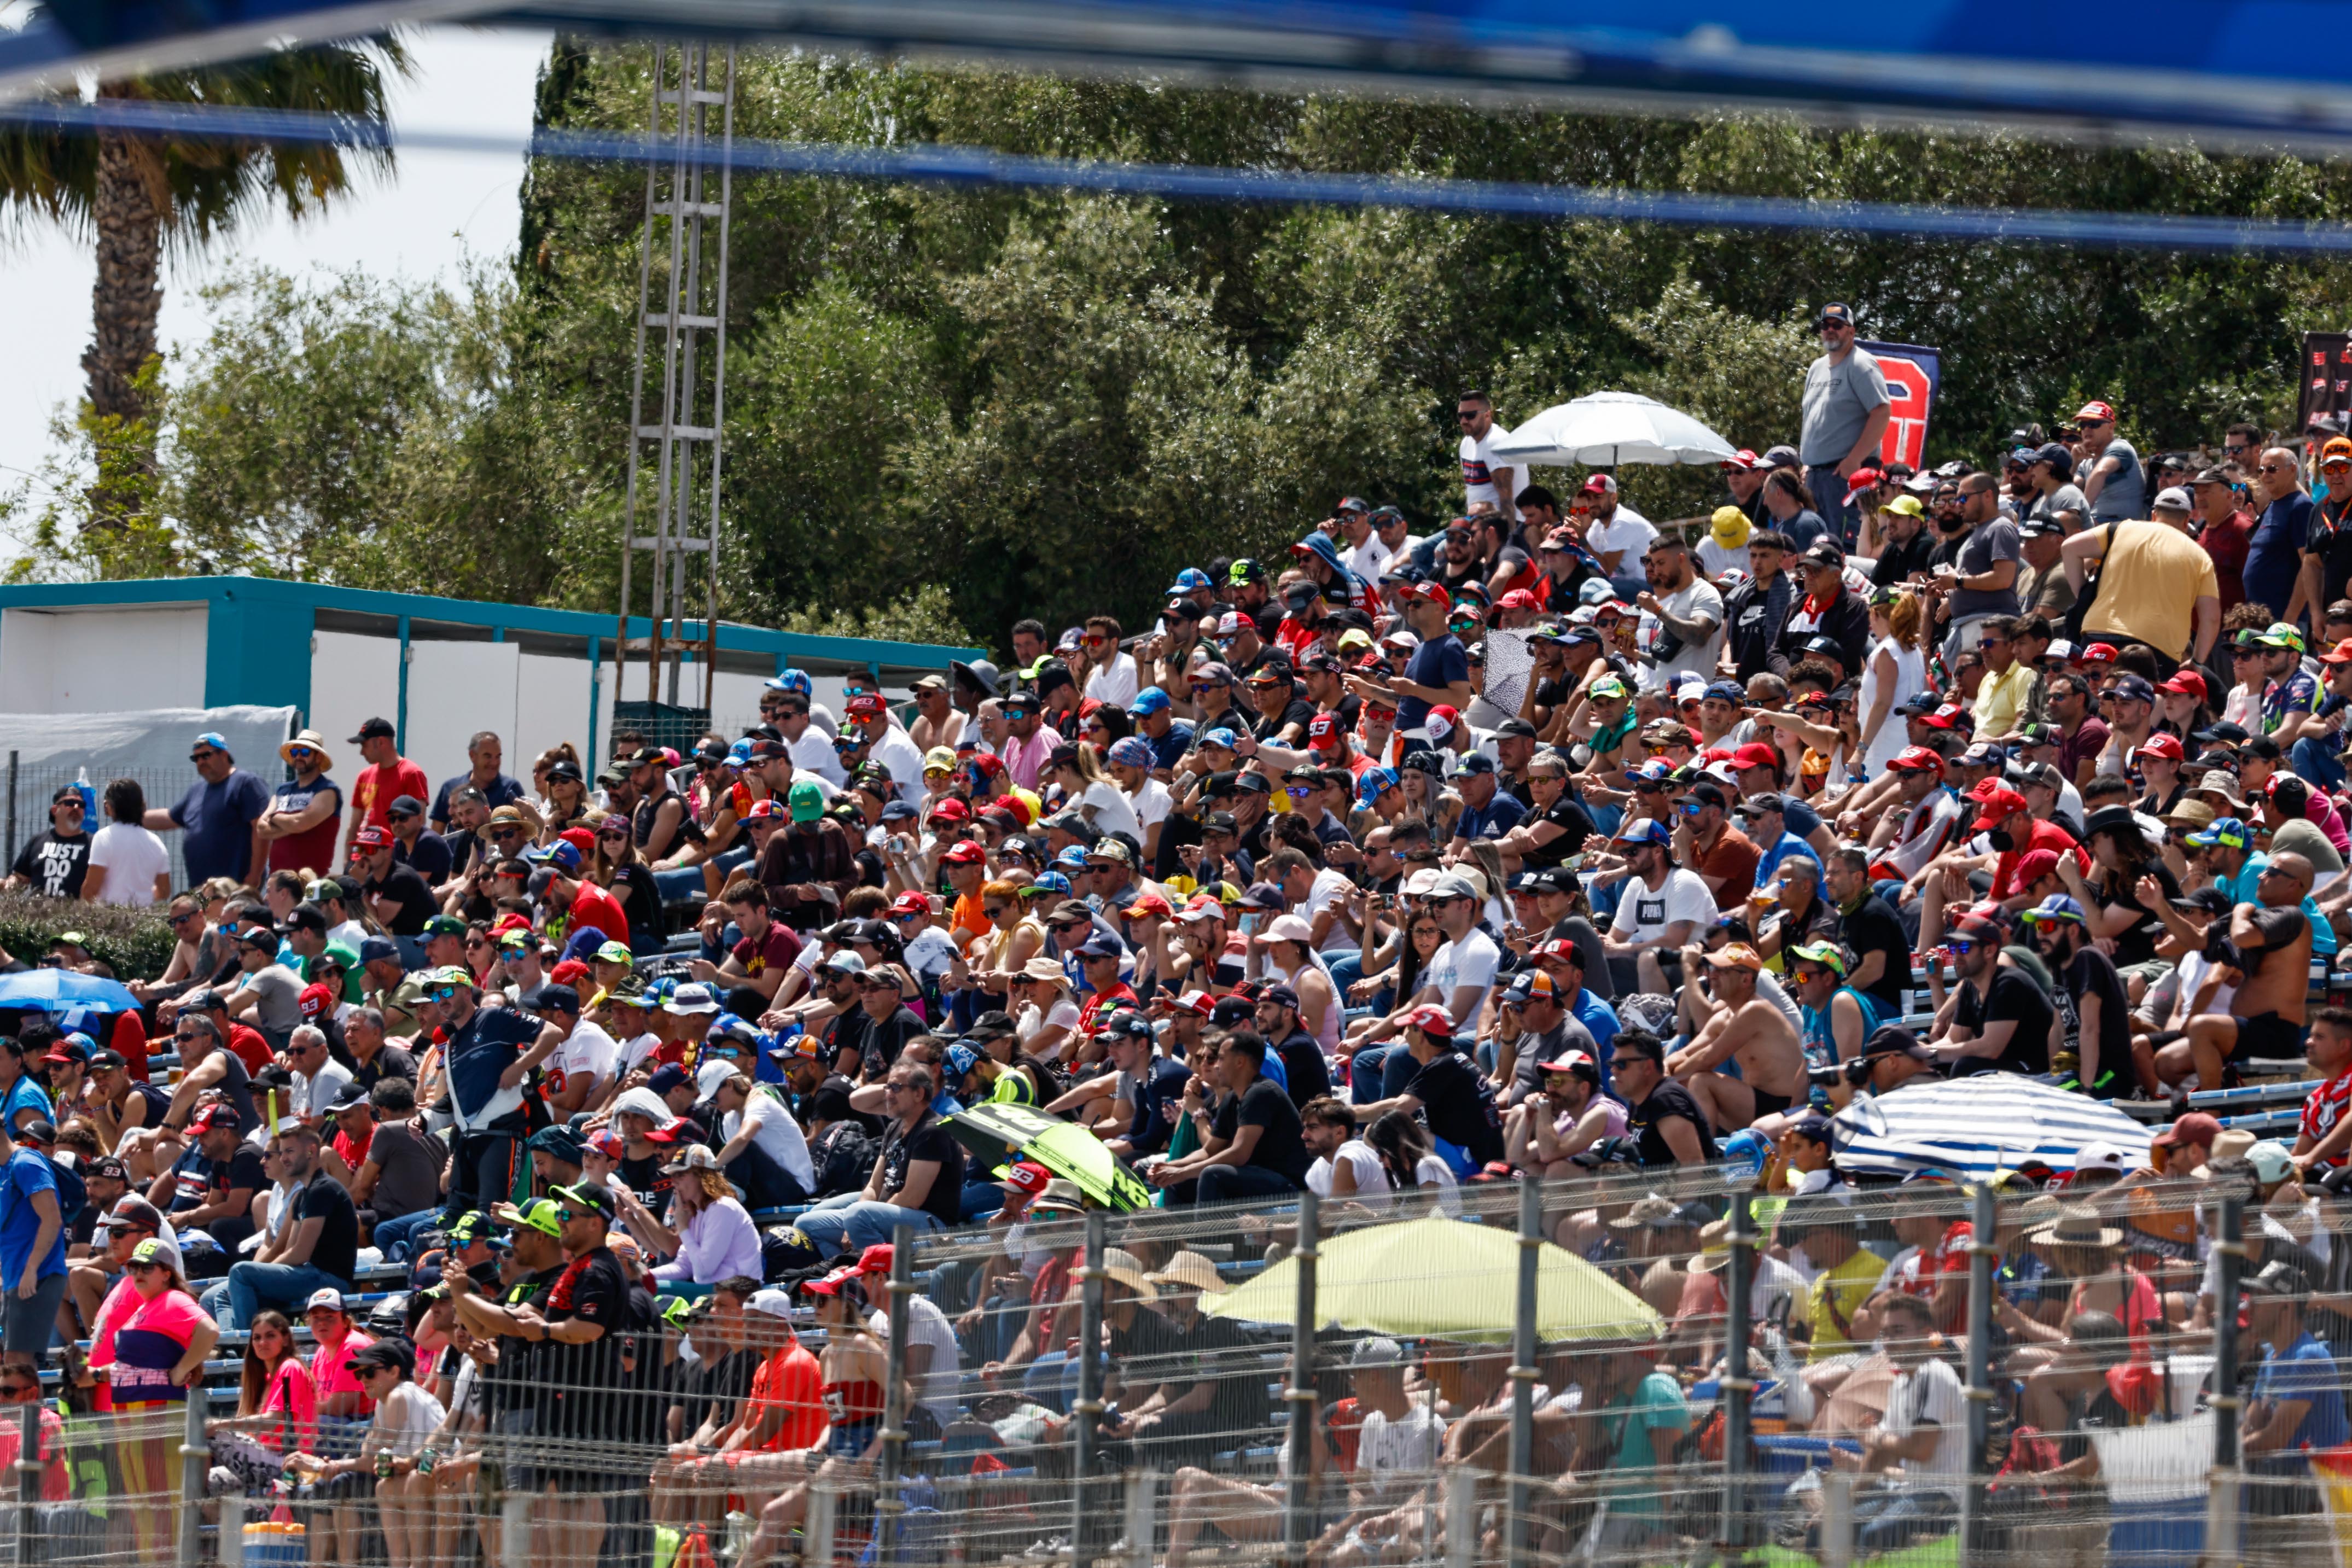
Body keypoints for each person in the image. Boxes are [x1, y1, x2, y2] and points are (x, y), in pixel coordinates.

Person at [84, 777, 170, 907]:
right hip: (144, 919)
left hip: (110, 918)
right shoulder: (156, 843)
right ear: (143, 806)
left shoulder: (103, 837)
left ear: (108, 806)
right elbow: (164, 891)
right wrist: (142, 896)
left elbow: (91, 889)